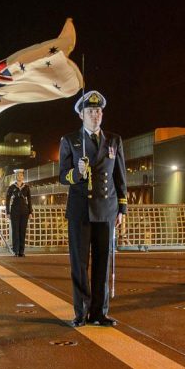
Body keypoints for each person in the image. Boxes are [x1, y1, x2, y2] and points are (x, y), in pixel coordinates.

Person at [58, 90, 127, 327]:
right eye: (90, 112)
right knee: (80, 264)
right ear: (81, 115)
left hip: (105, 209)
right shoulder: (70, 140)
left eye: (98, 111)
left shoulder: (114, 141)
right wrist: (78, 172)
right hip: (80, 210)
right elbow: (62, 177)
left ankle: (99, 312)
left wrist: (122, 209)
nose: (95, 115)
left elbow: (120, 176)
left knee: (102, 262)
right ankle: (81, 312)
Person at [5, 168, 32, 257]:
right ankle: (15, 251)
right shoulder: (12, 187)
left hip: (24, 211)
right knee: (15, 231)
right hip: (14, 211)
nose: (19, 177)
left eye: (21, 175)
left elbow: (30, 200)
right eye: (18, 175)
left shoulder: (27, 187)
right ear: (15, 177)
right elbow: (8, 200)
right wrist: (8, 212)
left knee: (22, 231)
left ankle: (21, 251)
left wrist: (30, 212)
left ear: (23, 177)